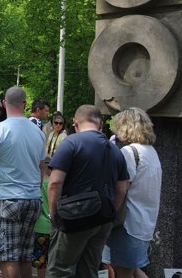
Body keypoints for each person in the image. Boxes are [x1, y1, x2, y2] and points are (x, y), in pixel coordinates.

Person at [46, 105, 129, 278]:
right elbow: (122, 189)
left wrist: (55, 215)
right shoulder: (115, 150)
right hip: (103, 221)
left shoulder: (71, 143)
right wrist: (110, 212)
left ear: (75, 123)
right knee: (89, 270)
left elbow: (54, 182)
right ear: (100, 125)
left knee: (60, 269)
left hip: (74, 217)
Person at [0, 86, 46, 278]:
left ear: (5, 104)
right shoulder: (38, 132)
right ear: (25, 104)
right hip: (32, 199)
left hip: (7, 199)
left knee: (7, 257)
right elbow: (42, 168)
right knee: (24, 256)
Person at [102, 107, 162, 278]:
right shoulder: (152, 152)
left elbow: (121, 189)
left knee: (122, 271)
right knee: (132, 269)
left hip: (127, 223)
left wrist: (109, 215)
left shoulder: (129, 152)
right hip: (144, 223)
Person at [33, 157, 52, 278]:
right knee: (52, 259)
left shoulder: (37, 184)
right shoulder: (54, 184)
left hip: (39, 226)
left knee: (40, 261)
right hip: (53, 226)